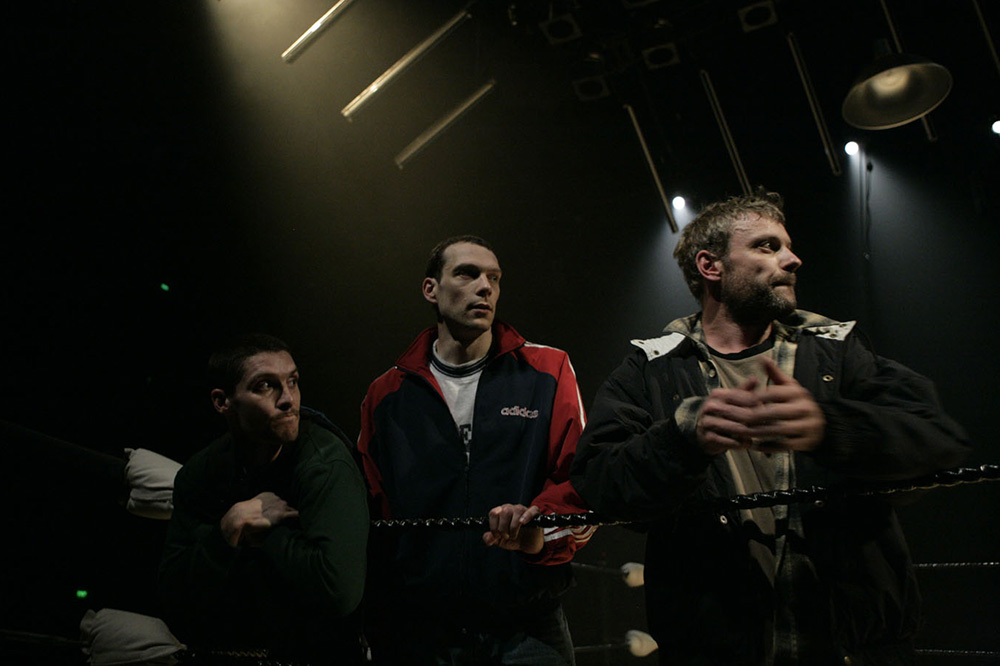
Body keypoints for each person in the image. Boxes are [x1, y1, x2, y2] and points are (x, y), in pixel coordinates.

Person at [570, 190, 970, 665]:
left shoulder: (836, 349)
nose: (793, 259)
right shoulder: (652, 367)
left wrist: (832, 429)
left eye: (788, 246)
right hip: (716, 648)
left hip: (850, 648)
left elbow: (937, 440)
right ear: (710, 266)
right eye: (766, 246)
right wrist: (681, 440)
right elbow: (599, 483)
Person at [358, 236, 594, 665]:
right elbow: (375, 513)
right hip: (423, 631)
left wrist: (535, 536)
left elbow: (580, 484)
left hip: (527, 622)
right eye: (467, 274)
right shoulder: (386, 395)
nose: (485, 287)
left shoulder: (548, 370)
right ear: (431, 289)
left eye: (494, 278)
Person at [158, 334, 368, 664]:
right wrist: (229, 528)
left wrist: (265, 534)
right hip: (229, 651)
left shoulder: (324, 464)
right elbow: (173, 600)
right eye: (265, 386)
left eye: (292, 381)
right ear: (222, 402)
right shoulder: (202, 472)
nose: (288, 399)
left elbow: (338, 591)